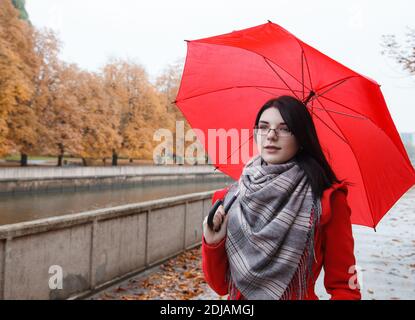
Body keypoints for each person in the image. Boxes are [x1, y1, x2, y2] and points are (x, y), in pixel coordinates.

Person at [201, 95, 361, 300]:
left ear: (301, 137)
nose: (271, 135)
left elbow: (345, 288)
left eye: (284, 129)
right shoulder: (229, 198)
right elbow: (222, 286)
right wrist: (212, 242)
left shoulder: (327, 200)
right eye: (263, 126)